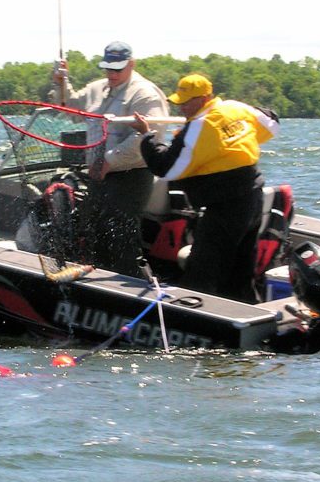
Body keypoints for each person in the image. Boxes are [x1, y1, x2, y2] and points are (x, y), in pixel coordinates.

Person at [129, 74, 279, 302]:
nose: (182, 108)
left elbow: (165, 167)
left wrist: (146, 136)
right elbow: (272, 121)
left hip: (225, 207)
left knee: (204, 268)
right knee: (241, 266)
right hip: (252, 197)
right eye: (179, 103)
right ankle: (244, 307)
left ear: (205, 98)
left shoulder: (199, 126)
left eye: (187, 103)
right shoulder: (235, 108)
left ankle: (193, 313)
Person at [50, 41, 169, 275]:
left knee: (121, 237)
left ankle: (130, 284)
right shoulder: (96, 89)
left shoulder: (145, 94)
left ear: (131, 64)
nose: (112, 74)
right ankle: (98, 279)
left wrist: (108, 161)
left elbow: (149, 136)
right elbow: (68, 107)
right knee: (95, 231)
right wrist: (60, 82)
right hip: (99, 176)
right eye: (108, 68)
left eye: (118, 69)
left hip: (131, 178)